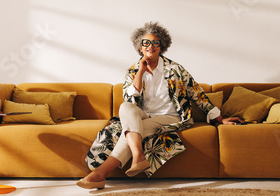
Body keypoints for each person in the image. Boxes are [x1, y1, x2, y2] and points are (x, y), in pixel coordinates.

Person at [76, 22, 242, 189]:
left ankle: (100, 173)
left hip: (170, 117)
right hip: (143, 115)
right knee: (125, 108)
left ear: (161, 46)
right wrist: (140, 71)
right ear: (139, 48)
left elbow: (197, 94)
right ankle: (138, 156)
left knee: (134, 130)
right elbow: (130, 100)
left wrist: (220, 119)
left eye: (156, 42)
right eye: (146, 42)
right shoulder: (132, 71)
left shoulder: (176, 70)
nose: (151, 46)